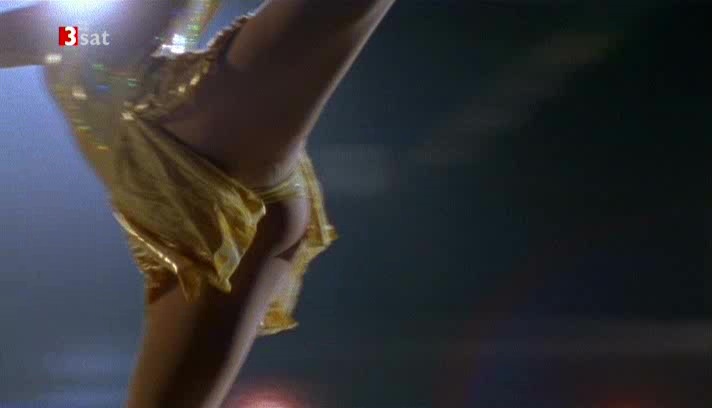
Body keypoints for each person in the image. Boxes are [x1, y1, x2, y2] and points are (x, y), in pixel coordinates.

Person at [0, 0, 396, 406]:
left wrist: (67, 33)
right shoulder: (81, 27)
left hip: (198, 143)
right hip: (187, 219)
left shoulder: (80, 27)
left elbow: (72, 35)